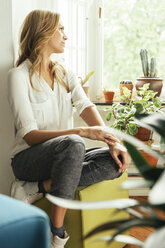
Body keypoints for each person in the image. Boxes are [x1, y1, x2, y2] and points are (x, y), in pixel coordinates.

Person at [7, 10, 130, 248]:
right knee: (75, 143)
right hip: (28, 160)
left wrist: (113, 142)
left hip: (67, 157)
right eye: (60, 29)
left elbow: (85, 105)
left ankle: (38, 188)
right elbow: (30, 136)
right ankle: (57, 235)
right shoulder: (18, 76)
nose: (66, 35)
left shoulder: (63, 71)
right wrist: (81, 132)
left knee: (115, 161)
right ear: (43, 32)